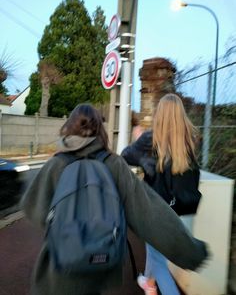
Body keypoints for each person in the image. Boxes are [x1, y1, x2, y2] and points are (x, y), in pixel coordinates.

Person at [21, 103, 208, 295]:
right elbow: (151, 215)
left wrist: (65, 224)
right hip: (98, 262)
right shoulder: (114, 164)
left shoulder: (56, 164)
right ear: (100, 129)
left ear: (68, 127)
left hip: (57, 268)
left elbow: (32, 208)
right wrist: (192, 252)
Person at [121, 93, 202, 295]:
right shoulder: (190, 140)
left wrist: (141, 151)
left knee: (157, 260)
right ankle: (148, 283)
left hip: (155, 210)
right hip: (179, 209)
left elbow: (125, 156)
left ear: (161, 114)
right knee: (155, 253)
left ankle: (154, 284)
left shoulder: (152, 138)